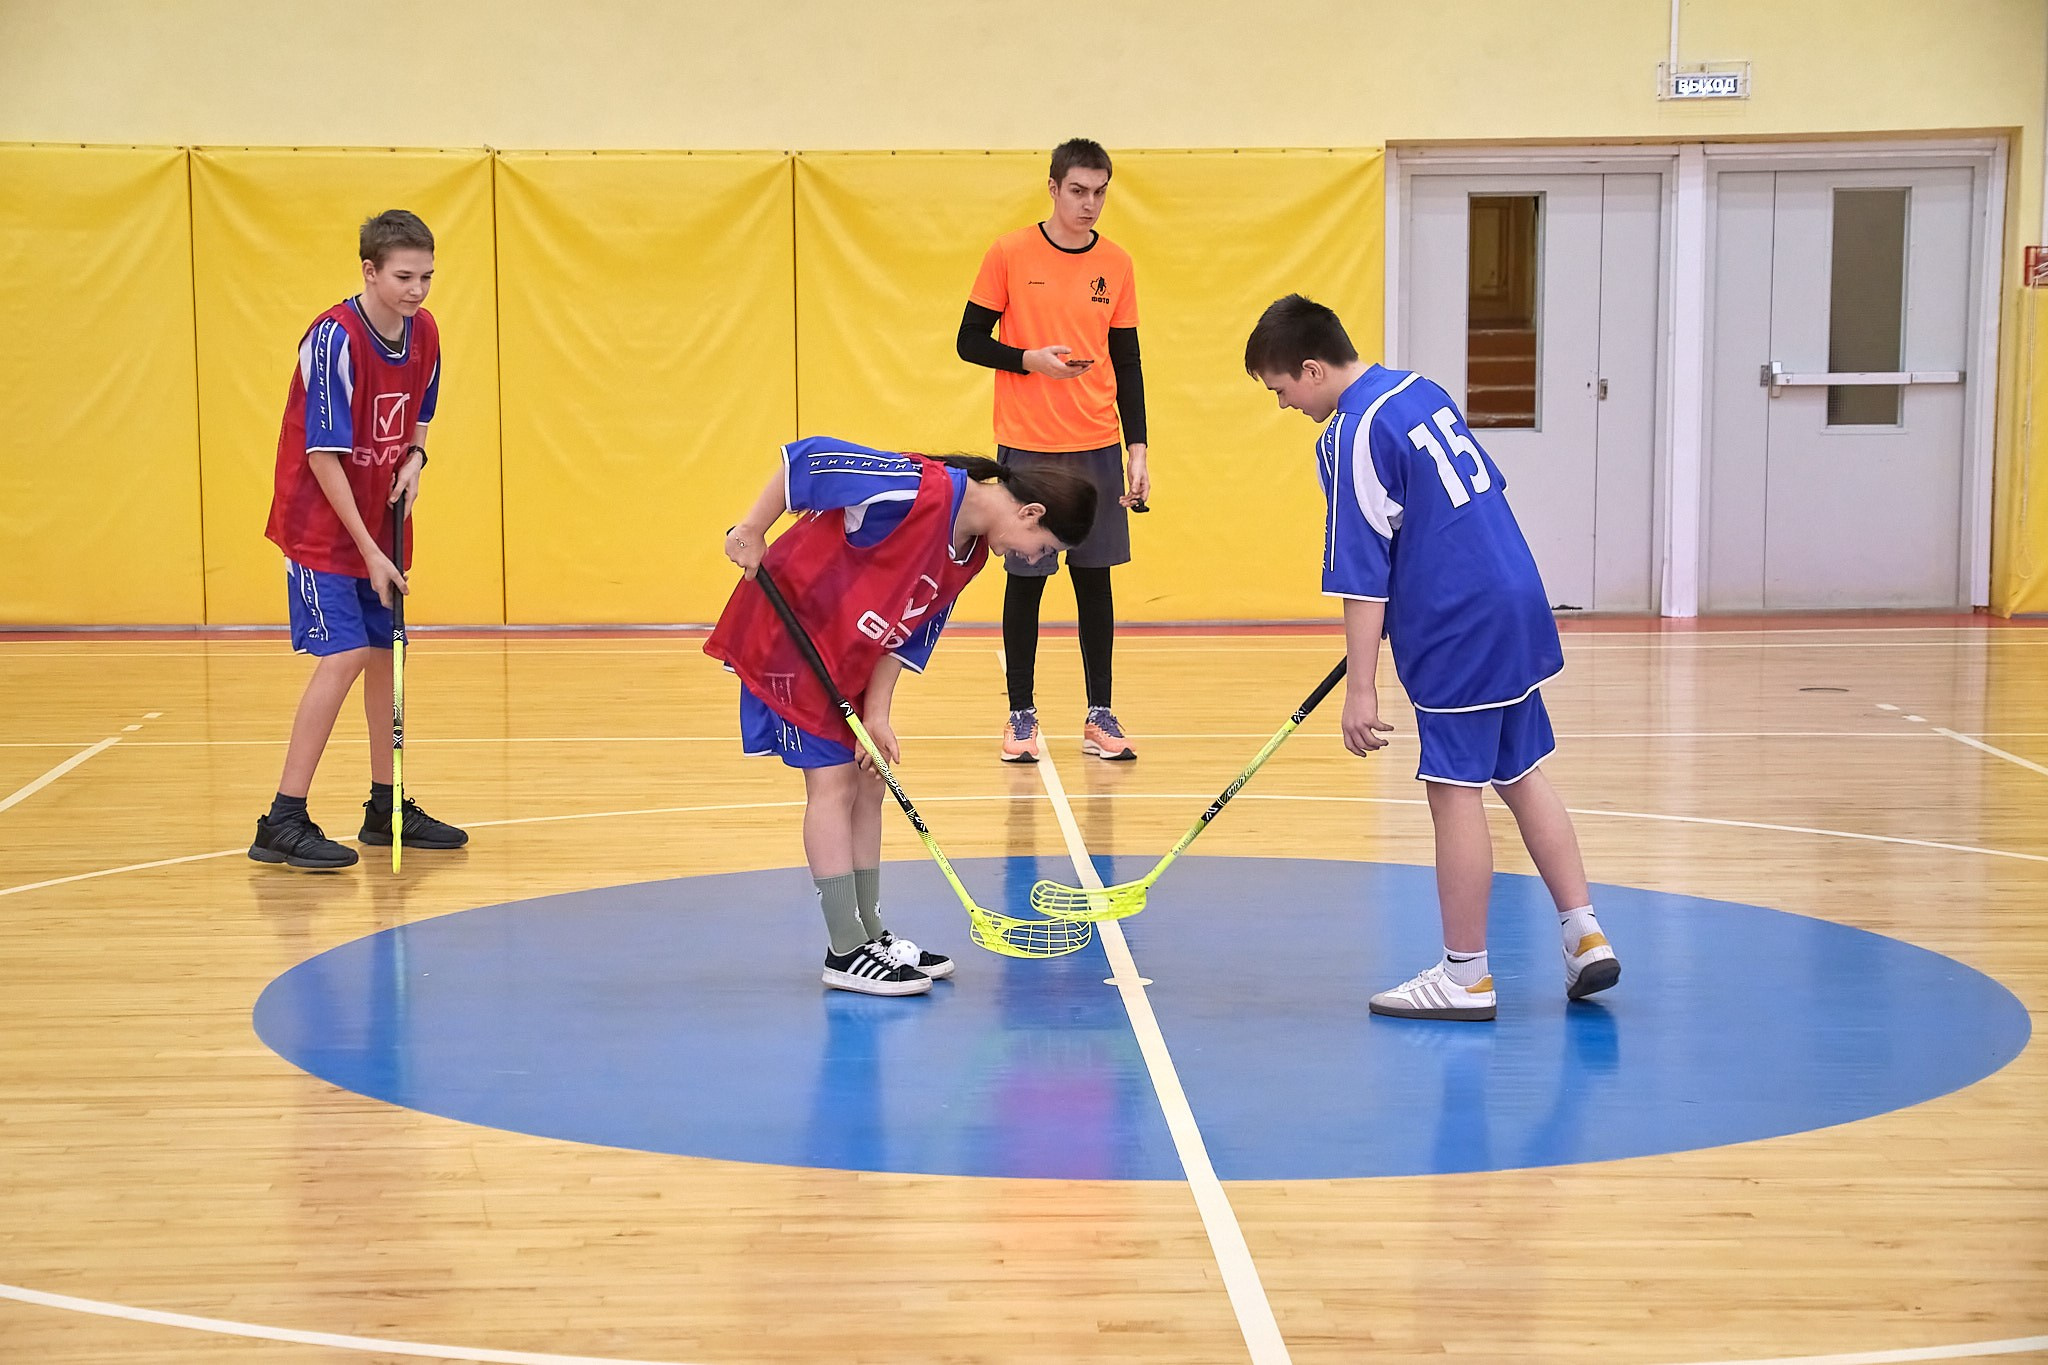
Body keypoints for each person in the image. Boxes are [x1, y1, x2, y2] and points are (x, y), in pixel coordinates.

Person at [1243, 294, 1619, 1021]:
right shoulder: (1421, 391)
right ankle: (1585, 934)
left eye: (1282, 390)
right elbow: (1461, 502)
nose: (1285, 405)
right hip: (1514, 593)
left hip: (1457, 621)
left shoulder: (1349, 432)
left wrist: (1362, 689)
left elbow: (1360, 571)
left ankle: (1465, 975)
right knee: (1519, 770)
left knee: (1453, 789)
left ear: (1312, 369)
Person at [708, 438, 1097, 996]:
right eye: (1044, 547)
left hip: (851, 657)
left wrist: (878, 714)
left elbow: (911, 631)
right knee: (832, 786)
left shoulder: (971, 553)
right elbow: (811, 459)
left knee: (870, 784)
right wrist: (750, 529)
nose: (1038, 560)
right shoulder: (919, 491)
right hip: (793, 639)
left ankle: (870, 933)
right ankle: (844, 949)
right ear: (1030, 513)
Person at [248, 210, 468, 871]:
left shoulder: (424, 331)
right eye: (404, 276)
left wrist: (416, 461)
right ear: (369, 271)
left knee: (385, 653)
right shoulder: (332, 340)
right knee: (344, 654)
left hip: (382, 518)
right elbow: (322, 455)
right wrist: (368, 552)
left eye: (427, 276)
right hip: (323, 526)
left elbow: (421, 413)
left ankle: (386, 805)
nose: (418, 290)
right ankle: (281, 818)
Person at [957, 137, 1149, 764]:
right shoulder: (1010, 252)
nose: (1090, 204)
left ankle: (1100, 714)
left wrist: (1138, 447)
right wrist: (1027, 361)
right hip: (1028, 449)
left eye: (1099, 192)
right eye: (1078, 191)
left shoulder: (1117, 264)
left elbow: (1128, 360)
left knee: (1095, 582)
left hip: (1097, 443)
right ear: (1053, 187)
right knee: (1028, 581)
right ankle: (1019, 717)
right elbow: (968, 341)